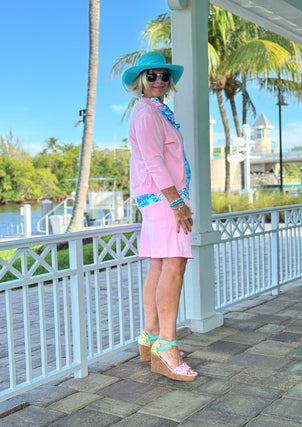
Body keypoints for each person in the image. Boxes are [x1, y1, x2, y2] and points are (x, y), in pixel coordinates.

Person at [122, 51, 197, 381]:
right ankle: (167, 344)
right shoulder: (147, 114)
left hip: (156, 199)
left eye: (164, 75)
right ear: (141, 81)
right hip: (164, 200)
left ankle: (150, 337)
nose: (159, 81)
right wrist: (177, 202)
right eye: (151, 76)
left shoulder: (153, 111)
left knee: (159, 263)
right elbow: (154, 160)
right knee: (174, 265)